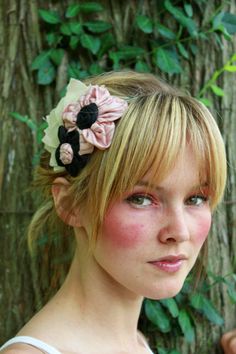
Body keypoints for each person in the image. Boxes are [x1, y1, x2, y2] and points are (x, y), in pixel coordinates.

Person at [0, 71, 227, 354]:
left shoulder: (136, 344)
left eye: (195, 198)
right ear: (71, 205)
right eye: (142, 199)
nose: (179, 231)